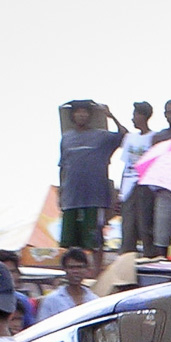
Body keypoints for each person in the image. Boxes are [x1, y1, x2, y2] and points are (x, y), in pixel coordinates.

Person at [58, 100, 125, 256]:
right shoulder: (66, 138)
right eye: (78, 112)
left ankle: (95, 270)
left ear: (90, 116)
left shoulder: (101, 136)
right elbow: (62, 167)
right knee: (68, 244)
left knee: (94, 243)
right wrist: (61, 194)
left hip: (94, 198)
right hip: (71, 199)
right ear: (73, 116)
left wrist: (111, 116)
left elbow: (124, 136)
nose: (82, 115)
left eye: (85, 112)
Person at [118, 102, 156, 258]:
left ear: (143, 116)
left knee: (145, 226)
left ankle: (149, 258)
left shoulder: (153, 137)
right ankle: (126, 260)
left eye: (135, 114)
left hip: (145, 185)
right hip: (129, 187)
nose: (133, 118)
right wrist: (121, 192)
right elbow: (126, 165)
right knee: (128, 228)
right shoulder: (130, 138)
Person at [38, 248, 98, 321]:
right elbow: (42, 324)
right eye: (71, 267)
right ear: (65, 269)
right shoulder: (52, 300)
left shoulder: (94, 300)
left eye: (79, 267)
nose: (76, 271)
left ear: (86, 269)